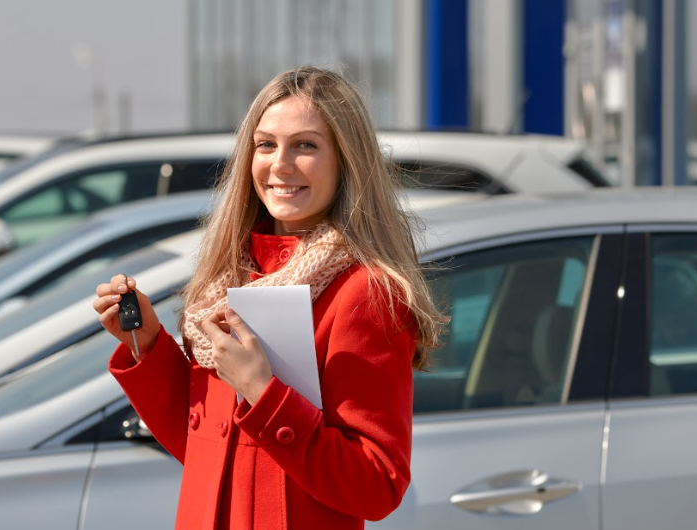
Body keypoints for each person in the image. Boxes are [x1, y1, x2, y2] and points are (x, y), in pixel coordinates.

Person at [92, 66, 445, 530]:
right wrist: (149, 344)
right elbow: (206, 450)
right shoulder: (229, 275)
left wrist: (263, 392)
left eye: (305, 145)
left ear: (346, 160)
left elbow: (378, 486)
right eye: (265, 145)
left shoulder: (365, 291)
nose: (280, 164)